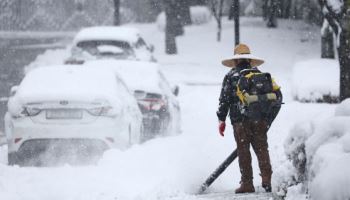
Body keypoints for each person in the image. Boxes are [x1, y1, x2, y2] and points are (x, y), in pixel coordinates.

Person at [217, 44, 282, 193]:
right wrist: (267, 120)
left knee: (243, 151)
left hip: (240, 121)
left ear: (235, 61)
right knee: (261, 149)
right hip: (259, 119)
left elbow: (224, 100)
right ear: (249, 59)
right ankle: (266, 179)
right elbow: (274, 99)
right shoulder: (259, 75)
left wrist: (222, 120)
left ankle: (247, 183)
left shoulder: (231, 76)